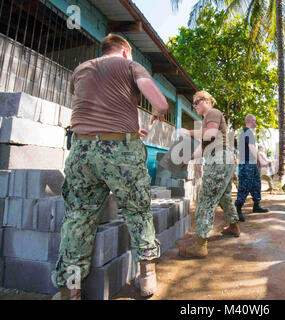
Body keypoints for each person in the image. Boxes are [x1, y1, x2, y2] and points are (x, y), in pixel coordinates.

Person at [51, 34, 169, 300]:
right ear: (126, 51)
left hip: (81, 150)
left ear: (103, 51)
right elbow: (161, 103)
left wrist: (125, 125)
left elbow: (93, 104)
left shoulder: (81, 69)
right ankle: (147, 275)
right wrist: (155, 113)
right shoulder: (130, 66)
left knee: (78, 217)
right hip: (120, 152)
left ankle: (70, 290)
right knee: (137, 209)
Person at [177, 91, 240, 258]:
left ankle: (200, 245)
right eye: (193, 103)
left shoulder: (212, 113)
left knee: (206, 198)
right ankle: (234, 226)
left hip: (219, 160)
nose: (194, 106)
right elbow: (205, 148)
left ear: (206, 100)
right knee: (224, 197)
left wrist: (187, 132)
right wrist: (190, 158)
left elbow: (211, 134)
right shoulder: (207, 120)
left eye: (196, 102)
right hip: (223, 159)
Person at [235, 114, 270, 222]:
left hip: (252, 164)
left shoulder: (248, 133)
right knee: (244, 186)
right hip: (246, 164)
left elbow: (252, 149)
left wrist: (258, 162)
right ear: (249, 121)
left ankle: (256, 206)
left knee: (256, 184)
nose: (255, 123)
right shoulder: (247, 132)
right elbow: (252, 148)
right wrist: (261, 160)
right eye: (254, 121)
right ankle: (238, 210)